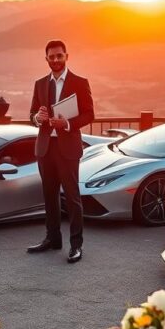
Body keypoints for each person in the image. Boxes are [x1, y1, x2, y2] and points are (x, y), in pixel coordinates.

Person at [27, 39, 94, 263]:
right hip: (45, 148)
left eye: (59, 56)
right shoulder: (39, 84)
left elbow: (89, 114)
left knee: (73, 198)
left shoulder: (79, 82)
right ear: (46, 59)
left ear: (67, 56)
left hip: (68, 148)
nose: (55, 60)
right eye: (51, 57)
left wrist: (66, 124)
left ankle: (76, 245)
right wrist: (38, 118)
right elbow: (31, 115)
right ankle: (52, 239)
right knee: (49, 196)